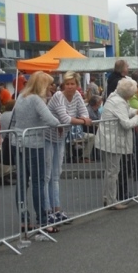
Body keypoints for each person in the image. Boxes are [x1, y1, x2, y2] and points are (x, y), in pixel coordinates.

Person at [11, 72, 61, 229]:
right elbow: (51, 121)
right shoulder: (36, 100)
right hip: (34, 143)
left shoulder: (21, 96)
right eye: (50, 84)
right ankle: (43, 219)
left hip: (18, 142)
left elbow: (14, 119)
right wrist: (59, 121)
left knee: (22, 183)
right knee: (38, 182)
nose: (52, 87)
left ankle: (24, 220)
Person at [46, 71, 91, 223]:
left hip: (60, 138)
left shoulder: (77, 95)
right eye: (67, 84)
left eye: (72, 84)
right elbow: (65, 119)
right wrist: (83, 121)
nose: (70, 86)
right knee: (47, 175)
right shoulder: (58, 96)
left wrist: (82, 118)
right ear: (63, 85)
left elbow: (84, 112)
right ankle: (47, 210)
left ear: (77, 85)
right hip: (47, 137)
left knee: (56, 174)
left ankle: (57, 209)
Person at [97, 78, 138, 209]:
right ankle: (111, 201)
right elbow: (126, 124)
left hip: (109, 139)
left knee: (111, 171)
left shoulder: (116, 97)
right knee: (112, 172)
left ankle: (108, 198)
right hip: (111, 140)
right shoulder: (118, 101)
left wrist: (136, 111)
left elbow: (126, 110)